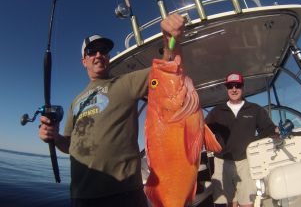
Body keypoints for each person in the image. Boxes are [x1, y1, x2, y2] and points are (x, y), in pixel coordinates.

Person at [38, 14, 185, 207]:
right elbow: (68, 145)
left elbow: (167, 69)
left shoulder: (126, 83)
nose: (98, 54)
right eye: (92, 51)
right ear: (84, 61)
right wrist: (54, 136)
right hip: (81, 196)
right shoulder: (75, 102)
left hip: (125, 193)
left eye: (103, 50)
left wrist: (170, 40)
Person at [205, 72, 277, 207]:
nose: (234, 89)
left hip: (247, 161)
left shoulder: (255, 109)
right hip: (222, 161)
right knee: (227, 202)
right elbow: (204, 132)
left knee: (247, 202)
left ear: (242, 87)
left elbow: (268, 130)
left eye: (237, 86)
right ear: (226, 89)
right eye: (230, 86)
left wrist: (275, 131)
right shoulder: (216, 111)